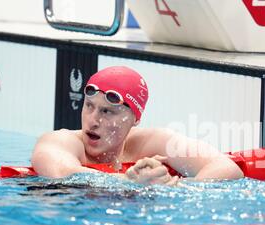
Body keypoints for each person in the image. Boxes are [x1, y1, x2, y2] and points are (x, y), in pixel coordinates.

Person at [31, 66, 243, 185]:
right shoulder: (61, 141)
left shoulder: (151, 142)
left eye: (107, 111)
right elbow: (61, 174)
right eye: (89, 106)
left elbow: (228, 168)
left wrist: (174, 187)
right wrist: (127, 181)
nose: (93, 120)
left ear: (135, 118)